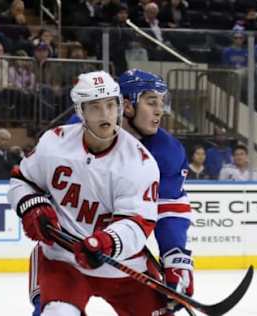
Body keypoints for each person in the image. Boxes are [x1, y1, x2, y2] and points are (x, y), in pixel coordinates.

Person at [27, 69, 193, 315]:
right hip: (65, 254)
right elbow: (35, 181)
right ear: (126, 106)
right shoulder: (75, 135)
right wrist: (35, 205)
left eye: (161, 102)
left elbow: (168, 210)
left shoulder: (167, 152)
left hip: (122, 256)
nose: (160, 110)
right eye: (151, 101)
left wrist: (175, 258)